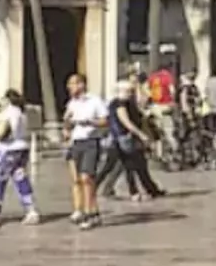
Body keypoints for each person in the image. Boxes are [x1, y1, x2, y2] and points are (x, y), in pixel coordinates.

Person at [0, 89, 39, 226]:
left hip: (7, 149)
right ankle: (31, 209)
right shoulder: (21, 113)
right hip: (21, 147)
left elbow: (1, 133)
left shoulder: (7, 113)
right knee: (20, 178)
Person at [63, 73, 107, 229]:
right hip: (76, 142)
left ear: (82, 85)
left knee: (86, 177)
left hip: (90, 141)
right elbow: (67, 122)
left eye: (73, 84)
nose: (70, 87)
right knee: (79, 179)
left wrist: (90, 122)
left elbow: (104, 120)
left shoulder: (94, 101)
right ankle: (91, 211)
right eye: (69, 84)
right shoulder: (72, 104)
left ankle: (89, 213)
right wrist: (67, 126)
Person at [109, 78, 164, 201]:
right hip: (125, 138)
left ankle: (148, 189)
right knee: (130, 165)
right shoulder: (120, 104)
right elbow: (126, 122)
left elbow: (141, 103)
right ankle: (135, 191)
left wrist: (138, 86)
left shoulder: (127, 102)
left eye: (132, 91)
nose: (131, 93)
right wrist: (140, 134)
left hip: (126, 138)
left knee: (137, 164)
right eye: (129, 91)